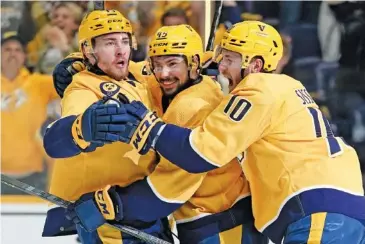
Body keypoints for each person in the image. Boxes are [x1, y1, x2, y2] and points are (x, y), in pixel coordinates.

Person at [114, 21, 365, 244]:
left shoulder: (256, 89)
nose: (222, 67)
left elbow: (200, 153)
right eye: (222, 58)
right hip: (344, 204)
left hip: (317, 210)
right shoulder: (289, 85)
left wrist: (150, 128)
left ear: (255, 64)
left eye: (230, 59)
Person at [57, 24, 268, 244]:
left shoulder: (193, 107)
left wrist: (111, 204)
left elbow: (169, 187)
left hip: (224, 222)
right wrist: (82, 62)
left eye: (172, 64)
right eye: (157, 64)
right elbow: (138, 71)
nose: (163, 74)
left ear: (194, 63)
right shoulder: (176, 84)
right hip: (206, 220)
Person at [42, 10, 173, 243]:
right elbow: (56, 140)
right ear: (88, 51)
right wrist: (79, 129)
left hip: (145, 211)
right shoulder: (84, 87)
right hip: (109, 221)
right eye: (109, 43)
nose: (121, 49)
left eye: (125, 41)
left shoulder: (137, 74)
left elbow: (172, 60)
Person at [1, 31, 59, 194]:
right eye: (7, 49)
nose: (13, 54)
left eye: (18, 50)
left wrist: (63, 48)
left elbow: (71, 82)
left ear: (24, 57)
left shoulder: (39, 83)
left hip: (34, 177)